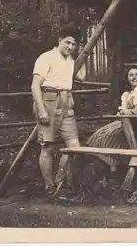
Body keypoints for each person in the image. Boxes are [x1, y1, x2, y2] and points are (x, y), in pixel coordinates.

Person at [31, 24, 86, 196]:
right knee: (47, 147)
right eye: (67, 43)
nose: (70, 47)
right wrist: (41, 110)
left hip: (66, 101)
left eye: (73, 45)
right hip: (48, 100)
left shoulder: (70, 61)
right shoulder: (45, 58)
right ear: (59, 40)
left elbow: (82, 77)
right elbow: (34, 86)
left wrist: (82, 56)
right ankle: (49, 187)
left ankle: (59, 181)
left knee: (74, 146)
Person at [86, 65, 137, 175]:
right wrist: (122, 112)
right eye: (131, 75)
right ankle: (109, 168)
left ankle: (114, 168)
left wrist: (128, 112)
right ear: (127, 78)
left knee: (108, 137)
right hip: (127, 123)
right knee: (99, 135)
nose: (134, 77)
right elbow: (124, 111)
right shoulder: (127, 94)